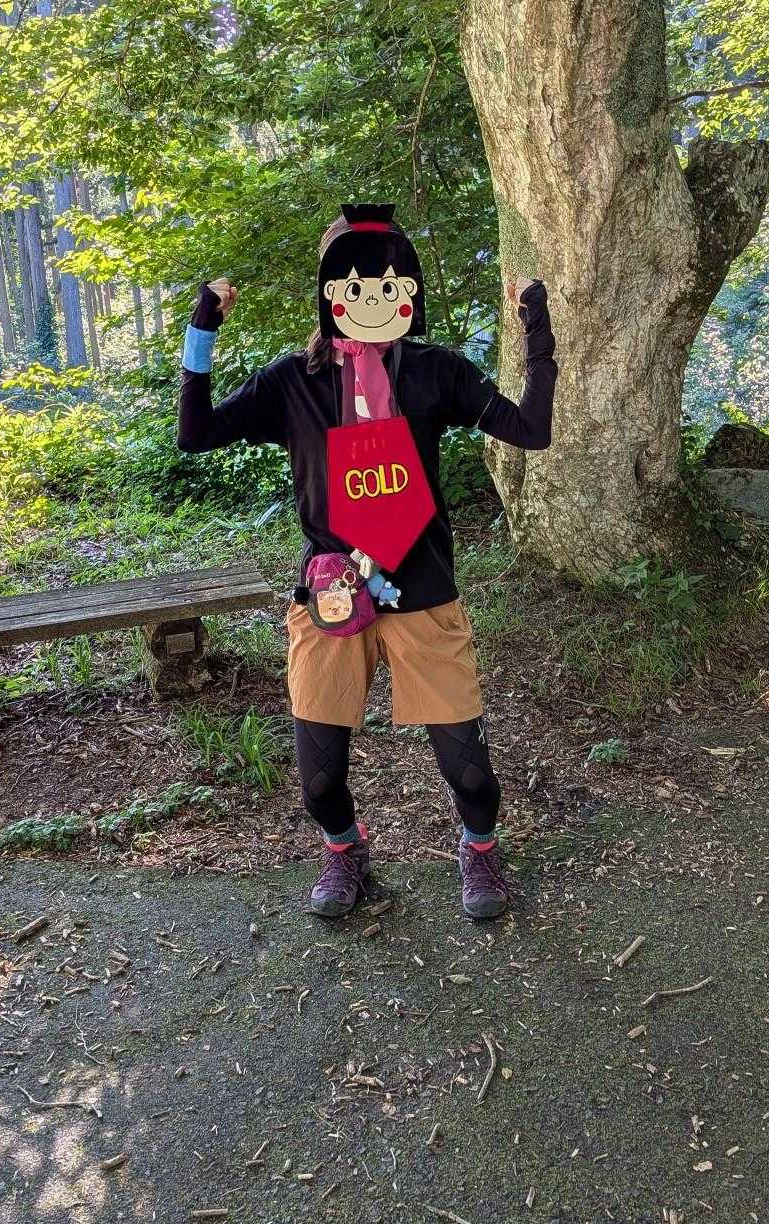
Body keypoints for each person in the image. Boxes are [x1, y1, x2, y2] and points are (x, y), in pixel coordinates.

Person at [177, 203, 557, 921]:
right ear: (331, 293)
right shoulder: (292, 382)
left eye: (387, 282)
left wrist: (536, 330)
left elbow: (531, 430)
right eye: (354, 283)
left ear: (406, 290)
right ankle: (345, 850)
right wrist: (203, 331)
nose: (372, 297)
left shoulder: (435, 371)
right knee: (319, 783)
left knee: (472, 776)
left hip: (423, 593)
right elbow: (196, 434)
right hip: (331, 598)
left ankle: (479, 849)